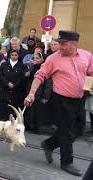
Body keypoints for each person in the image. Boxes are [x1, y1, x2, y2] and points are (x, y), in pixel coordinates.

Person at [24, 30, 93, 177]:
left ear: (74, 44)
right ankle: (67, 162)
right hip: (62, 100)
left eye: (63, 44)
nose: (60, 46)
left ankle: (49, 144)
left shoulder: (87, 55)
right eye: (59, 43)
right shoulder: (53, 59)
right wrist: (31, 94)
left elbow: (91, 72)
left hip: (80, 98)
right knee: (67, 131)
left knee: (79, 130)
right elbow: (40, 76)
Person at [0, 50, 26, 119]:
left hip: (16, 90)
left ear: (18, 56)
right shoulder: (4, 64)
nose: (14, 56)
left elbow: (22, 77)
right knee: (4, 105)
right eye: (12, 55)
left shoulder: (21, 66)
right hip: (5, 89)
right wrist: (7, 83)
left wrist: (15, 85)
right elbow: (1, 75)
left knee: (14, 106)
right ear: (10, 55)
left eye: (15, 55)